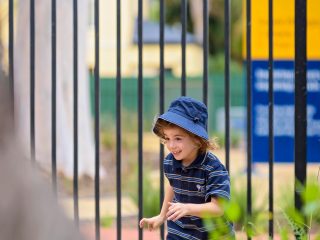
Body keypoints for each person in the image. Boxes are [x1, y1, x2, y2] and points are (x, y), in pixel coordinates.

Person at [139, 96, 234, 239]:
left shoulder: (213, 168)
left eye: (178, 138)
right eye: (167, 138)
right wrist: (162, 216)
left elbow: (218, 208)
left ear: (196, 139)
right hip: (179, 233)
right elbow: (173, 185)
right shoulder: (170, 162)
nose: (171, 145)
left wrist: (188, 208)